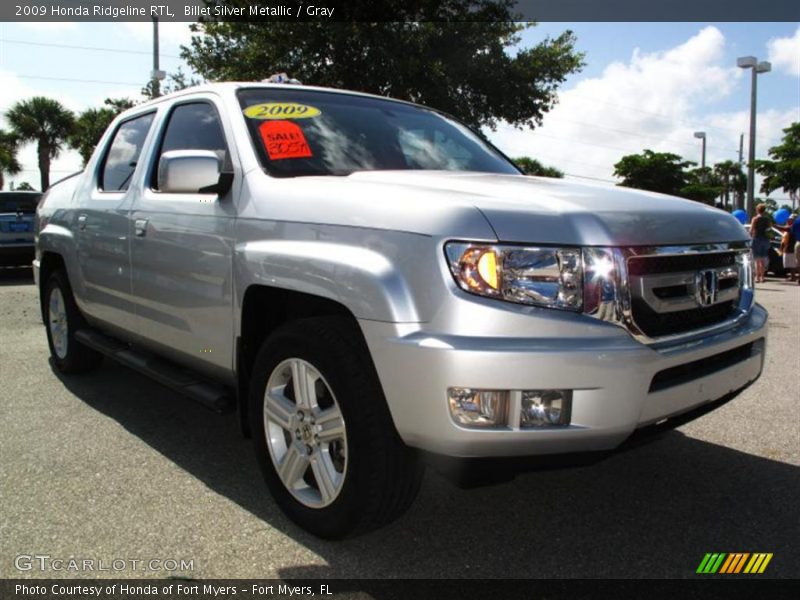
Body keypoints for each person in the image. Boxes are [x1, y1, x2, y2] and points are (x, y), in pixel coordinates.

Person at [749, 203, 772, 284]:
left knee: (757, 260)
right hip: (764, 239)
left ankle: (757, 277)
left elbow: (751, 230)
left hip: (756, 239)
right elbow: (769, 229)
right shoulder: (767, 219)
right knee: (762, 260)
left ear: (757, 210)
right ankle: (763, 277)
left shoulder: (755, 219)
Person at [780, 216, 798, 282]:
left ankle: (793, 277)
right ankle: (792, 276)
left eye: (790, 220)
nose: (788, 221)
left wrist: (773, 225)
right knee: (791, 264)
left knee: (792, 264)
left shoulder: (792, 227)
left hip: (791, 248)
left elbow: (783, 228)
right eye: (788, 220)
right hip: (789, 248)